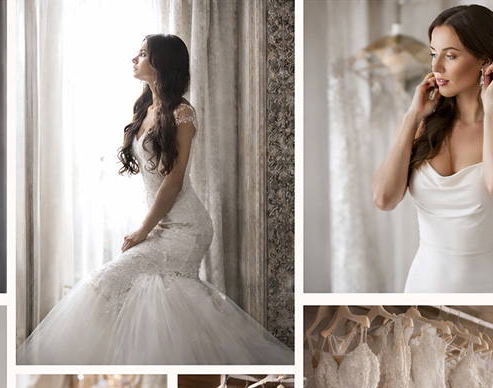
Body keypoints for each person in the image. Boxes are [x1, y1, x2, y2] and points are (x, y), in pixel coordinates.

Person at [17, 34, 291, 365]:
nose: (135, 59)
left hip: (187, 228)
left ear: (161, 63)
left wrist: (142, 231)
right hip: (163, 224)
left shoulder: (183, 113)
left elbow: (174, 182)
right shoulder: (146, 108)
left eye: (143, 54)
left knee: (111, 279)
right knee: (145, 296)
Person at [372, 4, 493, 293]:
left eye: (450, 56)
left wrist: (490, 104)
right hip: (422, 283)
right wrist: (412, 116)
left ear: (485, 62)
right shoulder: (423, 126)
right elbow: (383, 199)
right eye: (433, 54)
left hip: (488, 286)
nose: (436, 67)